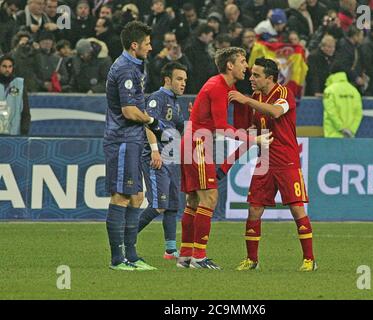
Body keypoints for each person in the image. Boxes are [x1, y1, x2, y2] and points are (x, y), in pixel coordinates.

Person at [177, 47, 272, 270]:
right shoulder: (219, 87)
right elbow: (221, 128)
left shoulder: (218, 85)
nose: (246, 66)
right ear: (230, 65)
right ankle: (199, 257)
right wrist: (255, 140)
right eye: (242, 61)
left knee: (193, 201)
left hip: (191, 142)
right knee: (209, 198)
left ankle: (185, 256)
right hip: (197, 145)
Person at [228, 58, 317, 272]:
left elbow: (276, 112)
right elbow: (252, 128)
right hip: (264, 161)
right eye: (251, 74)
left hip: (286, 160)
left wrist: (246, 101)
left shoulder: (284, 94)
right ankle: (252, 260)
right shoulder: (257, 97)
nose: (251, 78)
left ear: (269, 78)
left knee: (296, 209)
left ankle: (309, 260)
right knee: (254, 209)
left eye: (256, 75)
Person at [103, 21, 167, 271]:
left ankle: (132, 255)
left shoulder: (135, 66)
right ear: (134, 45)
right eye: (148, 44)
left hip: (132, 139)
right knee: (121, 196)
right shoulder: (126, 69)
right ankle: (117, 259)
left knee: (137, 197)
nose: (151, 48)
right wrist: (152, 120)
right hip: (121, 140)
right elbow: (129, 111)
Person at [138, 62, 188, 260]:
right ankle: (125, 239)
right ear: (167, 79)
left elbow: (178, 131)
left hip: (171, 158)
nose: (183, 83)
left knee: (172, 205)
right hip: (156, 156)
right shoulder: (157, 98)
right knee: (159, 204)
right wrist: (154, 151)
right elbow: (147, 124)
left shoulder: (175, 102)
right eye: (179, 79)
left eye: (185, 80)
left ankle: (170, 250)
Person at [322, 63, 363, 138]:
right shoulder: (354, 91)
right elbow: (358, 113)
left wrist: (341, 128)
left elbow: (331, 112)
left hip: (332, 135)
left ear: (331, 74)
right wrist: (352, 130)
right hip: (349, 136)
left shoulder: (329, 90)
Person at [0, 55, 31, 135]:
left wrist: (24, 130)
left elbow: (25, 110)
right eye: (4, 66)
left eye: (10, 67)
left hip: (14, 134)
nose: (7, 69)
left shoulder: (18, 84)